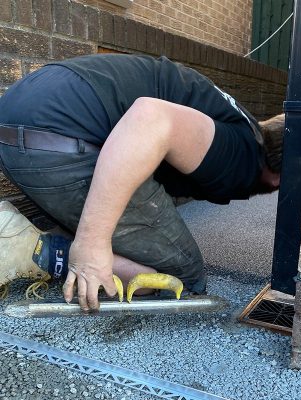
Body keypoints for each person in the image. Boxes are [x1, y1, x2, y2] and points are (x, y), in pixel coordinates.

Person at [0, 53, 284, 311]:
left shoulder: (234, 117)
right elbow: (151, 119)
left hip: (18, 122)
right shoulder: (244, 152)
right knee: (179, 280)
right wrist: (91, 242)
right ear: (277, 180)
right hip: (54, 142)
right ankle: (40, 251)